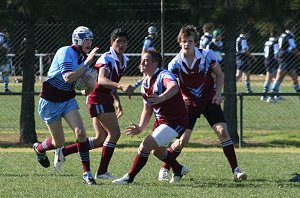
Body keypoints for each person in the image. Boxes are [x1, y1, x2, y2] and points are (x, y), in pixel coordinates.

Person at [157, 25, 247, 182]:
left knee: (222, 132)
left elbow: (219, 75)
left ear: (195, 42)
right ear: (179, 42)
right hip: (189, 103)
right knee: (182, 141)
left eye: (190, 41)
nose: (187, 44)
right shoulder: (175, 63)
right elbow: (171, 85)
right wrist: (180, 99)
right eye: (184, 41)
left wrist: (218, 94)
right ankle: (165, 167)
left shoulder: (207, 55)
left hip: (209, 99)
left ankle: (236, 171)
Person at [54, 28, 134, 180]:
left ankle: (63, 152)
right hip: (97, 98)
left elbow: (111, 82)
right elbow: (102, 81)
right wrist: (121, 86)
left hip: (103, 99)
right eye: (118, 41)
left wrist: (117, 100)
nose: (122, 44)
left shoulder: (124, 60)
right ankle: (102, 172)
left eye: (124, 41)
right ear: (112, 43)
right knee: (115, 133)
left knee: (100, 139)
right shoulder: (107, 58)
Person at [33, 26, 99, 185]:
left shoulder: (83, 58)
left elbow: (83, 91)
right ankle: (40, 149)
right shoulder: (65, 52)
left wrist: (91, 85)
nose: (89, 42)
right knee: (59, 143)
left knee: (81, 133)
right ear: (77, 40)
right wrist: (87, 63)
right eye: (86, 39)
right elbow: (68, 77)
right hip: (50, 100)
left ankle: (87, 173)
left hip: (67, 99)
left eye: (90, 39)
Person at [112, 50, 189, 184]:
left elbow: (174, 87)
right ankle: (178, 169)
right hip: (162, 121)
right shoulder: (145, 83)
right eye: (142, 59)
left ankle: (129, 178)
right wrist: (141, 127)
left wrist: (161, 97)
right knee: (158, 152)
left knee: (146, 145)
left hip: (175, 120)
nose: (141, 62)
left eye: (146, 60)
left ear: (155, 63)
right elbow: (147, 109)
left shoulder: (163, 75)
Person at [267, 23, 300, 103]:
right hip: (286, 59)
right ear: (292, 27)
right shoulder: (289, 36)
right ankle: (271, 96)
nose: (295, 28)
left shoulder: (283, 35)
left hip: (286, 59)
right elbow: (293, 48)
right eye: (294, 26)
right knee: (279, 78)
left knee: (294, 77)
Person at [134, 26, 159, 90]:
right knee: (145, 77)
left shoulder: (151, 40)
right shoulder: (149, 39)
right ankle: (134, 88)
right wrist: (143, 61)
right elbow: (144, 50)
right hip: (148, 61)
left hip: (150, 60)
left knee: (147, 77)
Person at [261, 31, 279, 101]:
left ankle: (276, 94)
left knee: (275, 77)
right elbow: (276, 53)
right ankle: (264, 95)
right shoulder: (275, 43)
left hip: (266, 60)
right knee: (270, 78)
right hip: (272, 61)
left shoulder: (266, 42)